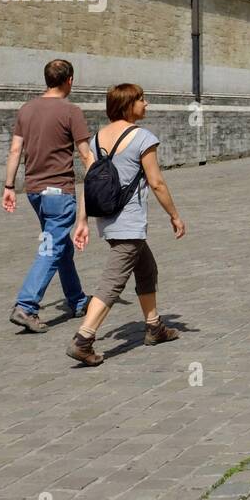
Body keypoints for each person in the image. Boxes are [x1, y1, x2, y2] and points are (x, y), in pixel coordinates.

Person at [67, 83, 186, 366]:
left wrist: (82, 220)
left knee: (146, 268)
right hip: (128, 222)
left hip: (107, 220)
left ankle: (154, 326)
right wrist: (174, 215)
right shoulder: (142, 137)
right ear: (128, 104)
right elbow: (156, 182)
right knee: (112, 281)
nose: (147, 104)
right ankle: (83, 339)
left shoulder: (96, 140)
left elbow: (89, 181)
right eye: (142, 100)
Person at [4, 59, 95, 333]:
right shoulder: (71, 111)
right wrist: (103, 178)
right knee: (51, 247)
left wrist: (9, 186)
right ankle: (26, 305)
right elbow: (84, 153)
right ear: (70, 80)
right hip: (59, 192)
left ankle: (77, 300)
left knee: (59, 245)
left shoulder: (26, 109)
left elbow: (15, 151)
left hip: (34, 192)